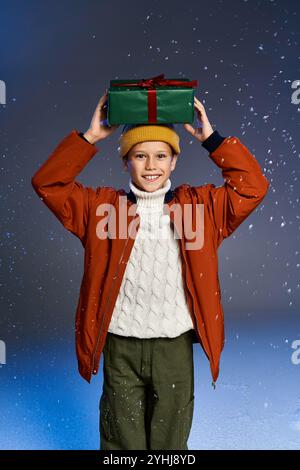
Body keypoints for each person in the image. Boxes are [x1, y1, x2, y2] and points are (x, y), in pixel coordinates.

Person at [31, 89, 270, 450]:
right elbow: (48, 184)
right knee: (122, 442)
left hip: (173, 347)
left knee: (169, 444)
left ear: (174, 161)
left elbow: (253, 188)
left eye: (161, 155)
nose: (151, 165)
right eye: (139, 155)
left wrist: (212, 139)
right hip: (120, 346)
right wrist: (90, 137)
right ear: (125, 161)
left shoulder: (201, 208)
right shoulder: (102, 210)